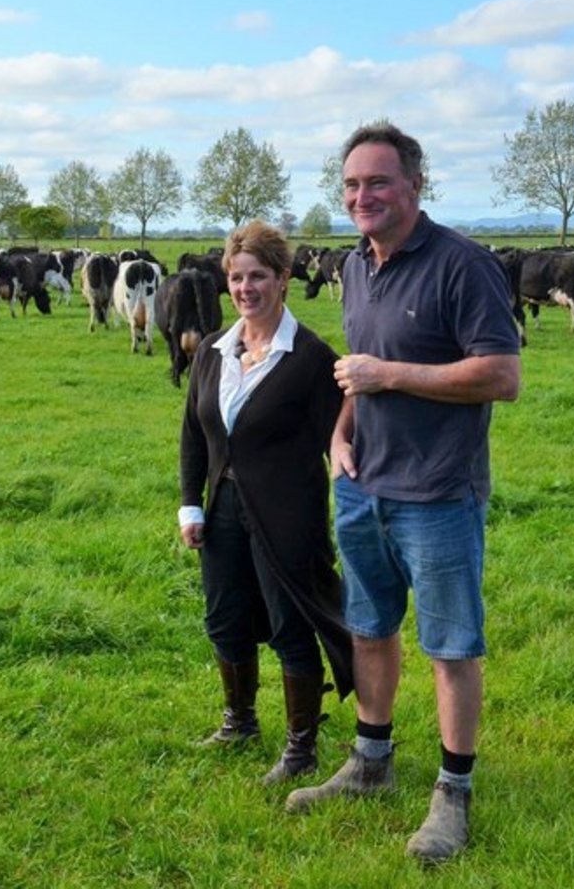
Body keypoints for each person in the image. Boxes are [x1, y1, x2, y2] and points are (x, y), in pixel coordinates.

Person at [284, 124, 521, 866]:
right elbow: (359, 368)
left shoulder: (463, 265)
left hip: (439, 494)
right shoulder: (356, 265)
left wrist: (392, 376)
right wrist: (341, 435)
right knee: (368, 628)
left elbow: (500, 376)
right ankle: (371, 763)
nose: (362, 196)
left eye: (378, 182)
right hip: (364, 488)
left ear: (416, 185)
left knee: (450, 648)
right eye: (352, 185)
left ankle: (454, 794)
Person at [178, 219, 354, 785]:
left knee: (289, 625)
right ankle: (239, 722)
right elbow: (193, 434)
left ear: (282, 279)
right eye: (236, 277)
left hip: (287, 519)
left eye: (258, 276)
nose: (245, 287)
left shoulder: (309, 359)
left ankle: (301, 747)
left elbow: (340, 445)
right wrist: (191, 505)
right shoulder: (212, 351)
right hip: (222, 513)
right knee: (224, 616)